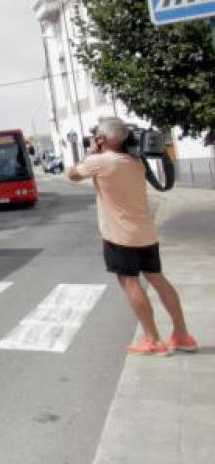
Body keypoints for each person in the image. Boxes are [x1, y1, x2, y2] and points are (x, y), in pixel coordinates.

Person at [67, 117, 198, 355]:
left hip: (119, 235)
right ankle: (182, 335)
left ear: (102, 138)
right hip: (146, 232)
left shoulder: (100, 161)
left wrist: (90, 151)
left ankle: (152, 339)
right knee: (158, 279)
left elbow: (72, 174)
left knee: (130, 282)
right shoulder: (136, 162)